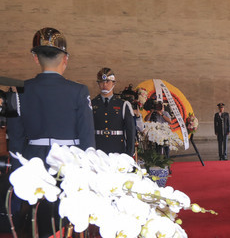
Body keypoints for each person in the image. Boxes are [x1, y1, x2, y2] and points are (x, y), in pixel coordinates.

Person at [8, 27, 95, 162]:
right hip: (70, 163)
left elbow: (15, 139)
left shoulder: (17, 91)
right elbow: (87, 137)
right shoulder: (80, 91)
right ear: (65, 59)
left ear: (36, 58)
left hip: (33, 163)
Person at [91, 68, 136, 156]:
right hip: (97, 149)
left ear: (114, 83)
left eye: (107, 81)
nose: (104, 84)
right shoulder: (92, 104)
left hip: (117, 149)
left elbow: (130, 131)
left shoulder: (123, 105)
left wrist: (129, 154)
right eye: (101, 82)